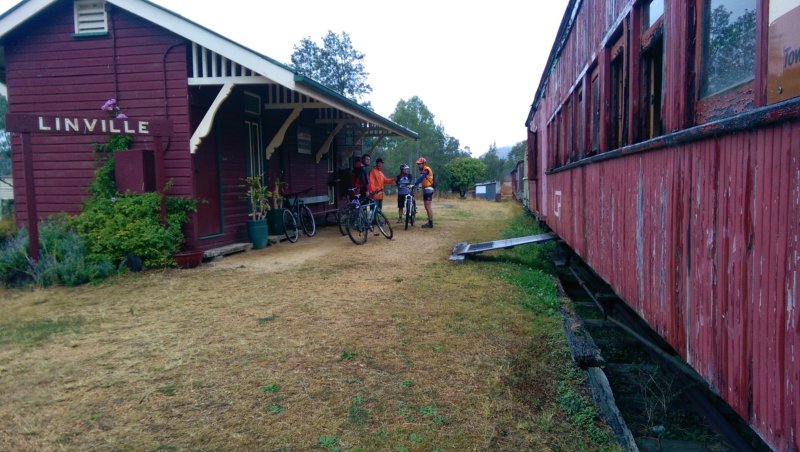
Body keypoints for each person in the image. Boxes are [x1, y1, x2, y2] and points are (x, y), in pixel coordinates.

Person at [411, 157, 434, 228]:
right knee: (426, 206)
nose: (418, 165)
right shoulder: (423, 170)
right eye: (418, 164)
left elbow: (422, 178)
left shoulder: (426, 169)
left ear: (424, 163)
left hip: (428, 189)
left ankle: (430, 223)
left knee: (428, 206)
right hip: (426, 189)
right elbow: (423, 180)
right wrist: (419, 186)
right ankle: (429, 222)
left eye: (420, 164)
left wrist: (415, 184)